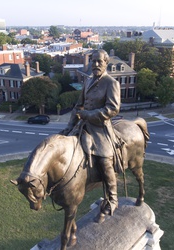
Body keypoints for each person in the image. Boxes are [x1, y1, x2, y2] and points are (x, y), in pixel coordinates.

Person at [60, 49, 121, 219]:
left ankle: (113, 199)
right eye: (93, 61)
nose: (95, 64)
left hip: (101, 128)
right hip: (82, 125)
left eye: (99, 61)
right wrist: (68, 127)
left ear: (106, 63)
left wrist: (89, 115)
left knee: (105, 160)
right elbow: (78, 106)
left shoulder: (111, 83)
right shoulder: (87, 81)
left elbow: (113, 109)